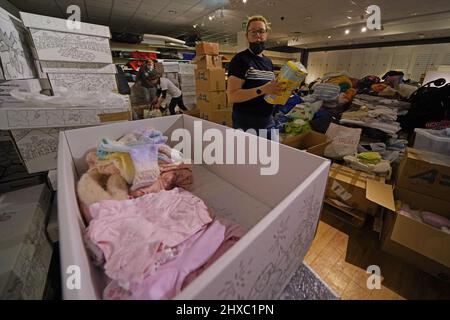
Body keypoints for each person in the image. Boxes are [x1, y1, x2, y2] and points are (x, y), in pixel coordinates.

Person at [226, 15, 283, 135]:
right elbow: (232, 96)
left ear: (266, 34)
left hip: (267, 120)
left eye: (261, 31)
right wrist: (263, 89)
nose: (258, 35)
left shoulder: (268, 62)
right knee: (247, 154)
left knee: (271, 153)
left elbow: (268, 91)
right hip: (246, 124)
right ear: (247, 36)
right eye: (253, 32)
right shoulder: (240, 60)